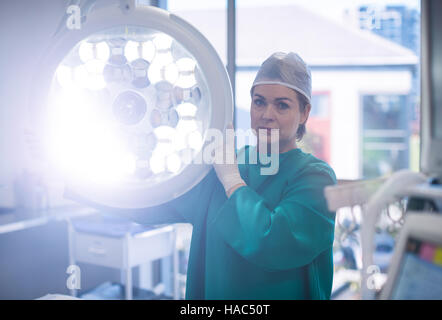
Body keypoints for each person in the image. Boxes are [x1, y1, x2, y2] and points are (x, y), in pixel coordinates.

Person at [66, 52, 337, 299]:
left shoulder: (315, 178)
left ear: (304, 112)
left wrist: (233, 183)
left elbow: (274, 243)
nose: (267, 114)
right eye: (259, 102)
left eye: (282, 105)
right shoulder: (224, 163)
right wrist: (72, 180)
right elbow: (153, 200)